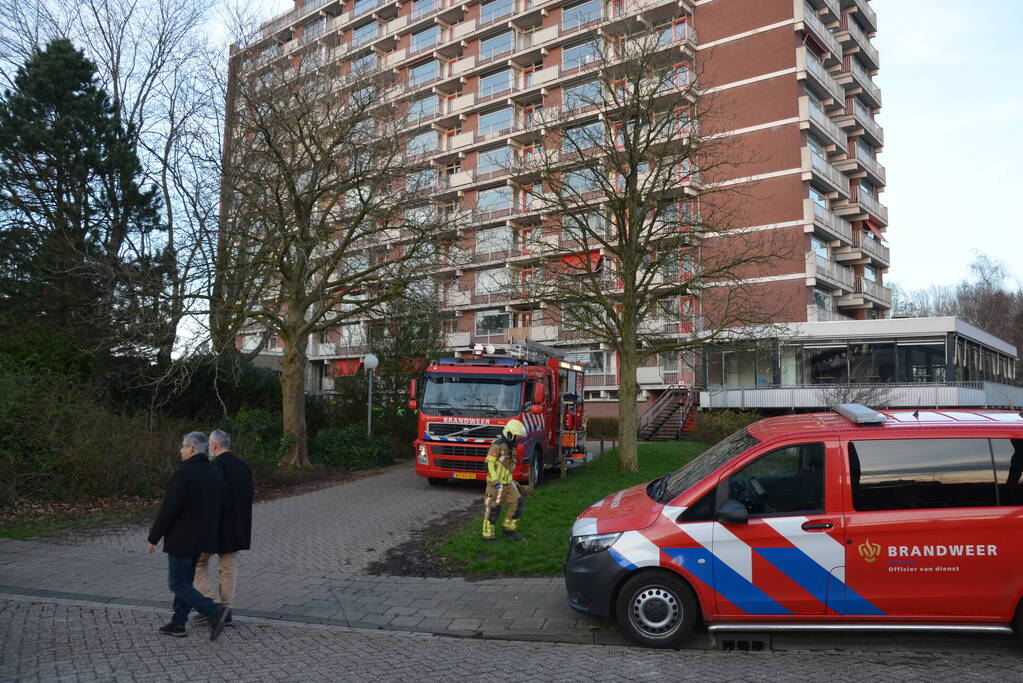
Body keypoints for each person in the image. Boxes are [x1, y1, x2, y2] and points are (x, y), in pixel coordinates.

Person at [147, 431, 230, 640]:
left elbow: (169, 509)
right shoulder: (215, 472)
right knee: (185, 580)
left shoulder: (183, 474)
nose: (181, 450)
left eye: (183, 446)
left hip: (182, 538)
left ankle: (213, 610)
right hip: (203, 538)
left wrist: (153, 537)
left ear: (191, 449)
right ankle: (178, 623)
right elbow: (219, 507)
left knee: (177, 583)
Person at [192, 429, 253, 626]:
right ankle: (226, 610)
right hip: (237, 527)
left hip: (214, 529)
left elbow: (207, 502)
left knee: (196, 564)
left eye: (209, 444)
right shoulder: (243, 467)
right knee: (228, 569)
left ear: (214, 446)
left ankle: (213, 606)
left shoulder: (212, 467)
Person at [482, 419, 527, 542]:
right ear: (510, 434)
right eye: (518, 437)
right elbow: (488, 464)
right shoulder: (497, 446)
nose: (519, 440)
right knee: (493, 510)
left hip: (508, 483)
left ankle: (509, 529)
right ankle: (488, 535)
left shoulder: (511, 446)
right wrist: (495, 481)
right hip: (495, 485)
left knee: (518, 503)